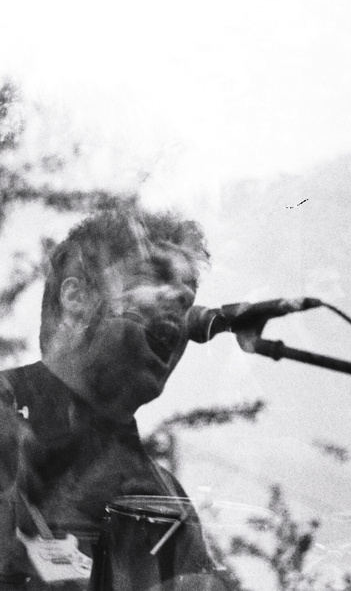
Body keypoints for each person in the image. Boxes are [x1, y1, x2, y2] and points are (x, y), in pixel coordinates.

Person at [0, 205, 220, 589]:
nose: (181, 300)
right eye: (155, 277)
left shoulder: (166, 501)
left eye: (187, 301)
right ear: (76, 297)